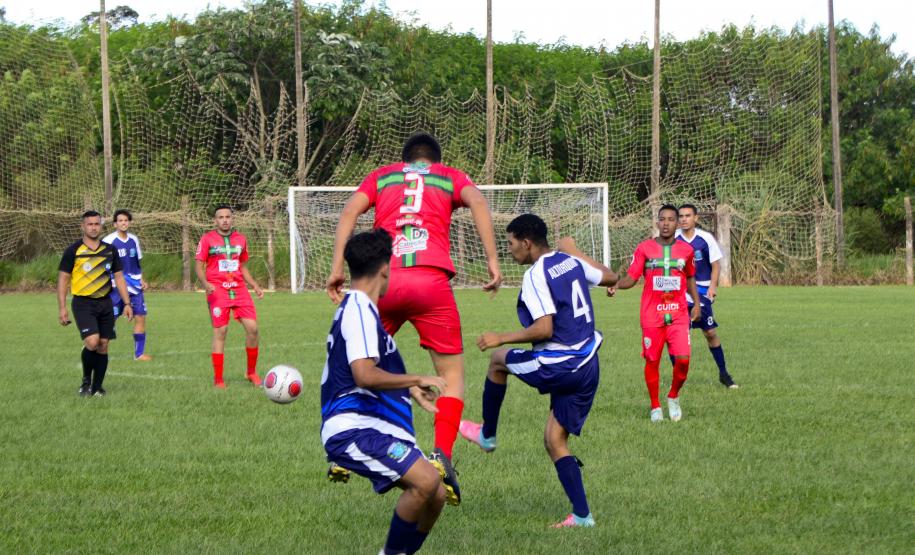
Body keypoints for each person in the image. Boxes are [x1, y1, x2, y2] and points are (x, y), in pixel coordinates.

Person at [326, 131, 502, 506]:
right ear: (434, 160)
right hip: (430, 283)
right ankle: (441, 455)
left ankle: (343, 453)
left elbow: (348, 212)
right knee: (451, 377)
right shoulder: (450, 176)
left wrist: (337, 265)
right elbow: (479, 203)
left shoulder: (382, 175)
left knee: (358, 362)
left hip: (384, 281)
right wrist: (491, 259)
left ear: (404, 158)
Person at [459, 214, 617, 528]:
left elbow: (544, 329)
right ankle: (582, 516)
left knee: (497, 360)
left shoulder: (535, 275)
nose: (510, 250)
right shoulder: (568, 261)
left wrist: (500, 338)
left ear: (527, 243)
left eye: (511, 243)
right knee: (554, 439)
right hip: (588, 365)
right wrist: (574, 250)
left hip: (561, 365)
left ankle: (487, 435)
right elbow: (611, 277)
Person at [322, 229, 448, 554]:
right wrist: (416, 378)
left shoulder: (363, 312)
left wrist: (410, 390)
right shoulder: (359, 309)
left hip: (371, 425)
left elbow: (374, 373)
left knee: (435, 495)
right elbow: (364, 375)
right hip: (353, 429)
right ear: (385, 268)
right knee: (425, 482)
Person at [610, 204, 701, 422]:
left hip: (678, 313)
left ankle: (673, 396)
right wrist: (616, 284)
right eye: (663, 219)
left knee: (683, 359)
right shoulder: (644, 248)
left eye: (671, 219)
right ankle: (655, 406)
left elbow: (689, 277)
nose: (667, 223)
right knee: (652, 361)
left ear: (677, 223)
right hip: (652, 315)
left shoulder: (686, 251)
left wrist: (696, 303)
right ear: (657, 222)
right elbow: (632, 277)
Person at [57, 210, 134, 397]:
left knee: (104, 345)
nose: (93, 227)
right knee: (92, 342)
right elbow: (63, 280)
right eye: (90, 224)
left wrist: (127, 303)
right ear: (83, 226)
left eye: (96, 224)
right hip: (83, 303)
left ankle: (97, 387)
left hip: (106, 303)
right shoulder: (73, 251)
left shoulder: (110, 250)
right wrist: (62, 308)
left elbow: (119, 277)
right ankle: (86, 381)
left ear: (101, 226)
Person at [195, 205, 264, 388]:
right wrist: (206, 284)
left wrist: (254, 285)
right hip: (217, 289)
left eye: (228, 217)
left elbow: (242, 266)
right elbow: (199, 266)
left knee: (253, 329)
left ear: (232, 219)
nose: (225, 220)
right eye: (221, 217)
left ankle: (251, 372)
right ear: (215, 220)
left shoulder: (241, 239)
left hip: (239, 289)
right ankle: (218, 379)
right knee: (221, 331)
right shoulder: (207, 239)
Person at [675, 204, 738, 388]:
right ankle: (678, 378)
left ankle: (724, 374)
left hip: (701, 291)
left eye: (688, 215)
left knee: (710, 332)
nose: (684, 219)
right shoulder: (674, 240)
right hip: (680, 292)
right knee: (679, 336)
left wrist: (713, 286)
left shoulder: (705, 238)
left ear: (696, 218)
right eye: (681, 216)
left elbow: (716, 265)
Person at [103, 209, 152, 361]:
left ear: (129, 222)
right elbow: (103, 265)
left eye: (126, 220)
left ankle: (139, 354)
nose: (123, 223)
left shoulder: (134, 239)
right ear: (115, 224)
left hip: (135, 285)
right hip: (117, 286)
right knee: (109, 319)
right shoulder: (109, 241)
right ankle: (98, 349)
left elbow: (137, 262)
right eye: (120, 221)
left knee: (140, 317)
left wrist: (142, 279)